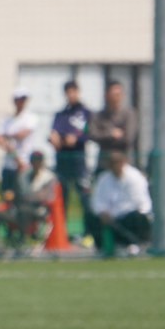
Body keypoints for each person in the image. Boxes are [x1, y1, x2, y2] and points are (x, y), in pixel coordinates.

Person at [48, 79, 91, 234]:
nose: (71, 95)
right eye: (68, 92)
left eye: (74, 91)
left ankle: (88, 232)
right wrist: (54, 138)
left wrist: (76, 138)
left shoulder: (85, 113)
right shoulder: (61, 115)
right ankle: (61, 232)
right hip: (62, 161)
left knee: (84, 198)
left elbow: (88, 133)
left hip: (78, 161)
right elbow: (54, 133)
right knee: (61, 197)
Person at [90, 149, 152, 255]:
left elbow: (139, 202)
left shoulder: (134, 177)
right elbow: (98, 201)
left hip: (130, 215)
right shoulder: (103, 179)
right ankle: (102, 247)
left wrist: (117, 214)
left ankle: (135, 244)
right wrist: (102, 212)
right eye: (112, 163)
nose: (115, 166)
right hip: (111, 217)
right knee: (91, 217)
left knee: (136, 217)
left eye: (117, 163)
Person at [0, 88, 44, 197]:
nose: (21, 102)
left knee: (24, 195)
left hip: (25, 163)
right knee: (7, 195)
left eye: (23, 99)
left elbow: (22, 134)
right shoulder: (7, 120)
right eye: (18, 99)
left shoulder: (31, 118)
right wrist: (11, 150)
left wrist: (7, 136)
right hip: (9, 164)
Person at [88, 79, 137, 165]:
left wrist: (105, 138)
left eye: (119, 94)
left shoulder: (129, 114)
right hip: (104, 162)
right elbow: (93, 135)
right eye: (114, 95)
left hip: (124, 162)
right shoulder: (98, 115)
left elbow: (128, 138)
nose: (117, 98)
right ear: (107, 95)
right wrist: (111, 134)